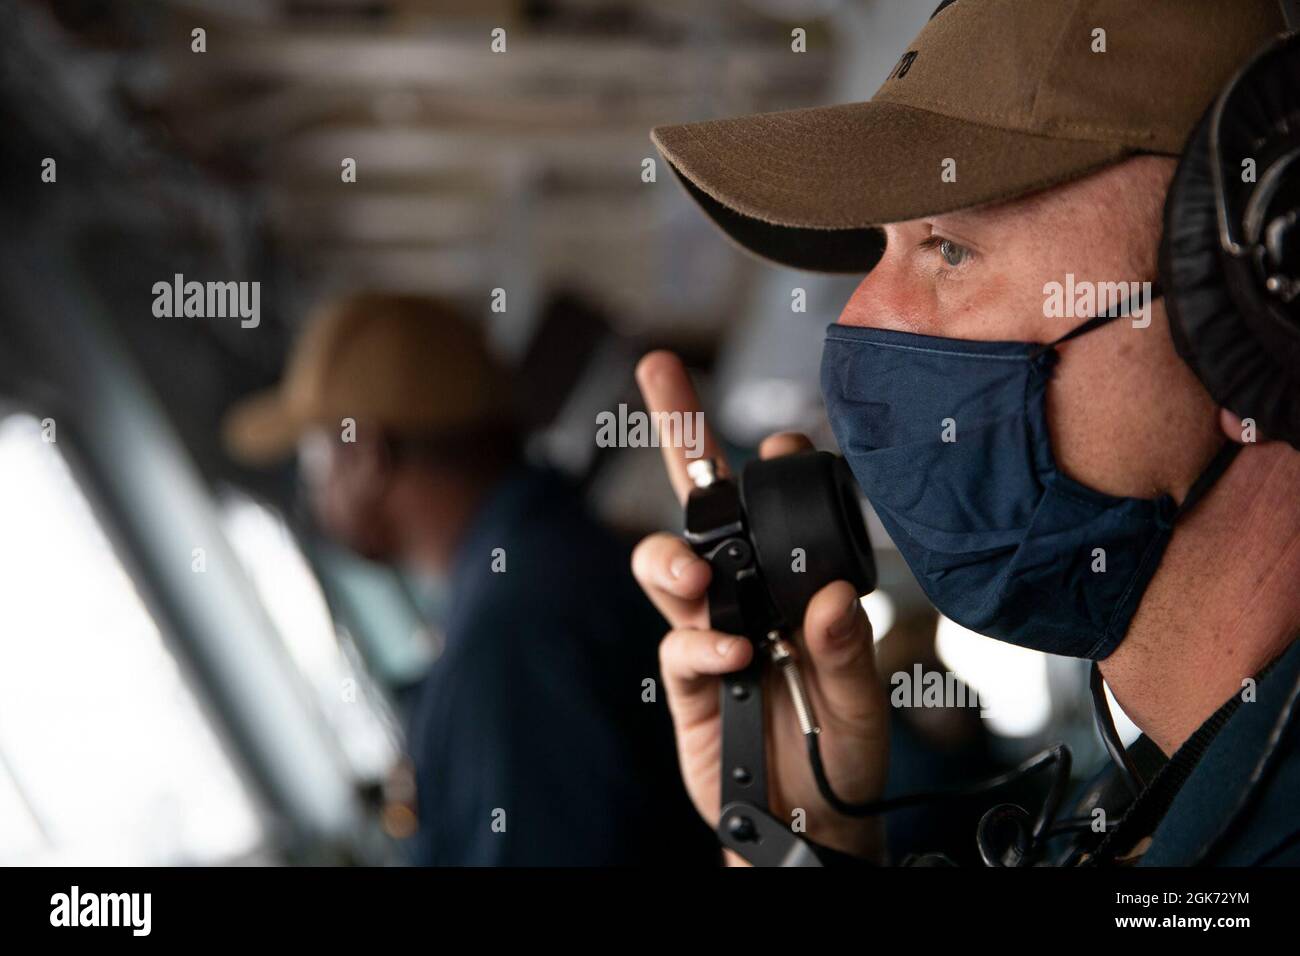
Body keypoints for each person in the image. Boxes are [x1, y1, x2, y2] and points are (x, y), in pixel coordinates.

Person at [632, 0, 1300, 865]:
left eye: (948, 248)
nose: (859, 323)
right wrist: (801, 835)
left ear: (1256, 304)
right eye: (882, 246)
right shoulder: (1142, 814)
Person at [224, 292, 714, 865]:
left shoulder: (505, 634)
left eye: (314, 452)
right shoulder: (557, 556)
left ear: (367, 455)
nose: (311, 483)